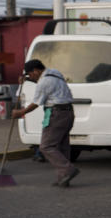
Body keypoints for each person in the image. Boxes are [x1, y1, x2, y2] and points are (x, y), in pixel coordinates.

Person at [11, 59, 79, 187]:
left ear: (36, 71)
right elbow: (42, 82)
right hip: (68, 112)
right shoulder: (55, 73)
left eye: (30, 74)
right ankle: (63, 177)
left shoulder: (44, 82)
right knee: (62, 145)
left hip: (57, 114)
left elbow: (36, 103)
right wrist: (27, 80)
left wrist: (20, 112)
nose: (31, 77)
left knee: (46, 146)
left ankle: (68, 169)